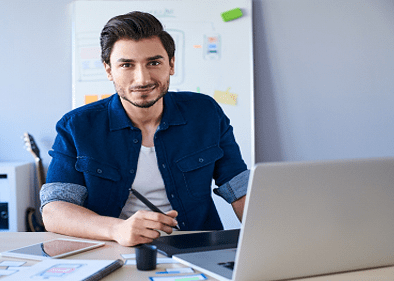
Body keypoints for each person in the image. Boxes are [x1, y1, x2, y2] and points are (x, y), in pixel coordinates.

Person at [40, 11, 249, 247]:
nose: (142, 79)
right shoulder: (77, 126)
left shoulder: (206, 112)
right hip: (113, 248)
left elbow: (241, 189)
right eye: (126, 65)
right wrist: (117, 229)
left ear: (171, 64)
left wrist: (270, 237)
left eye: (154, 62)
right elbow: (55, 211)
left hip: (199, 249)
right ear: (109, 70)